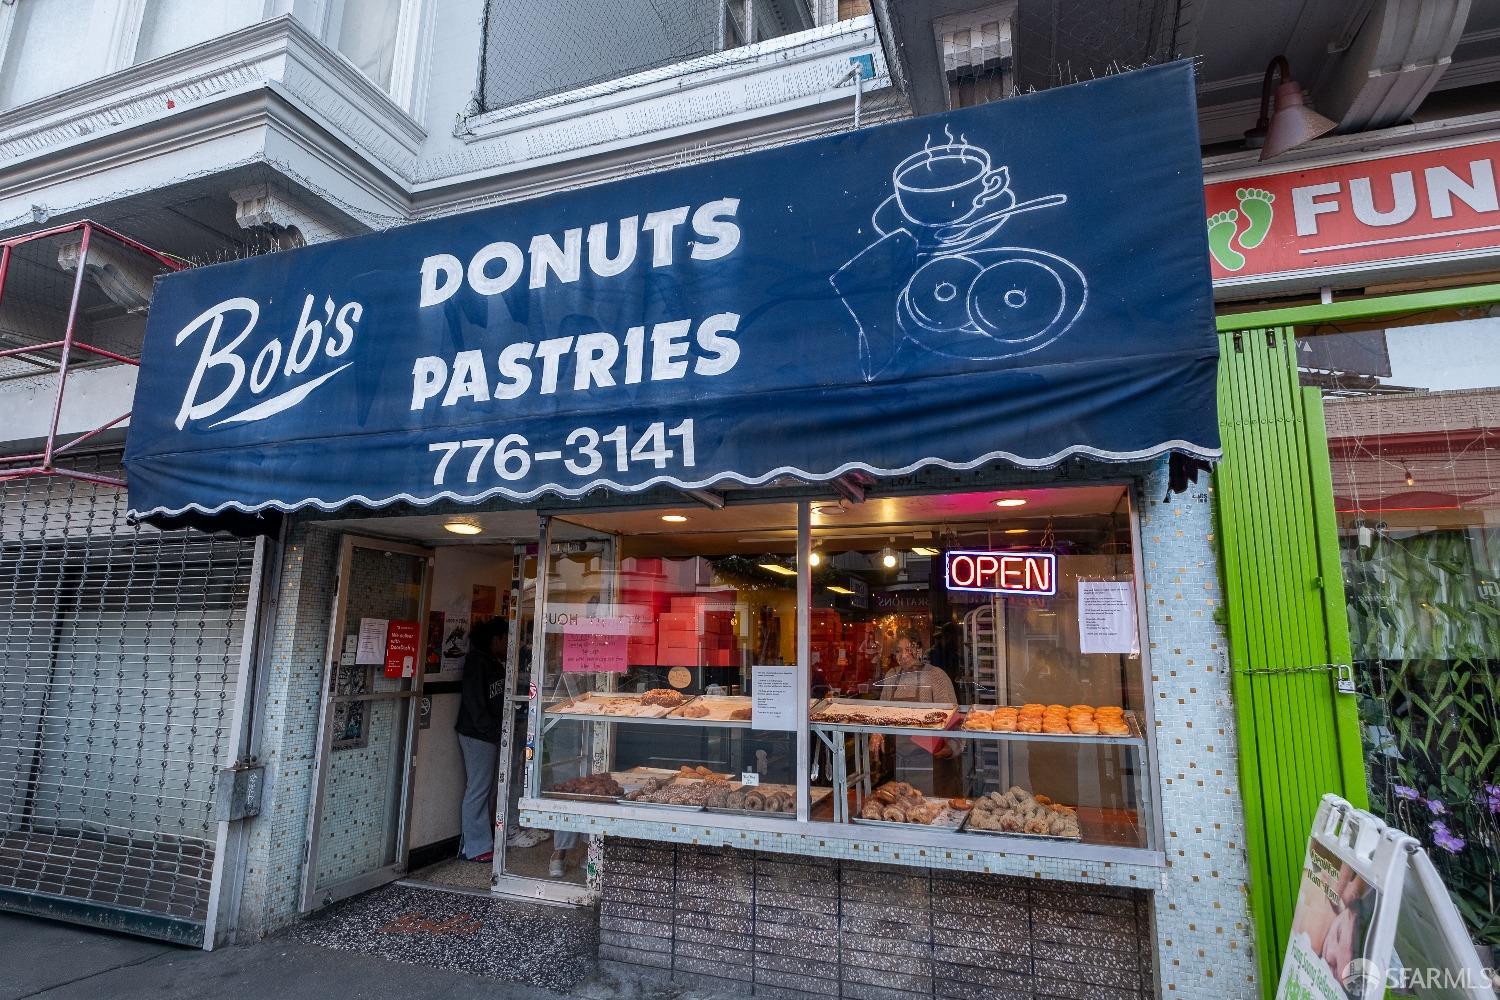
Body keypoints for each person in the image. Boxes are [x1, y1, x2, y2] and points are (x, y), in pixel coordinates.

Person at [873, 632, 962, 796]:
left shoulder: (936, 676)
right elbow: (883, 712)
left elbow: (952, 717)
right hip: (899, 763)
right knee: (903, 809)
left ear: (920, 650)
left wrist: (952, 746)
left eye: (909, 649)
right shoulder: (891, 676)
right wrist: (878, 733)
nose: (904, 655)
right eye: (899, 651)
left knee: (930, 812)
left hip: (930, 762)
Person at [455, 618, 507, 861]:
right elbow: (475, 703)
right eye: (505, 638)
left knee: (487, 788)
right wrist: (490, 730)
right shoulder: (476, 663)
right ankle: (476, 847)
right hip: (477, 735)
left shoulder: (493, 661)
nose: (508, 643)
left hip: (488, 733)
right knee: (478, 788)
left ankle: (480, 842)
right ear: (494, 639)